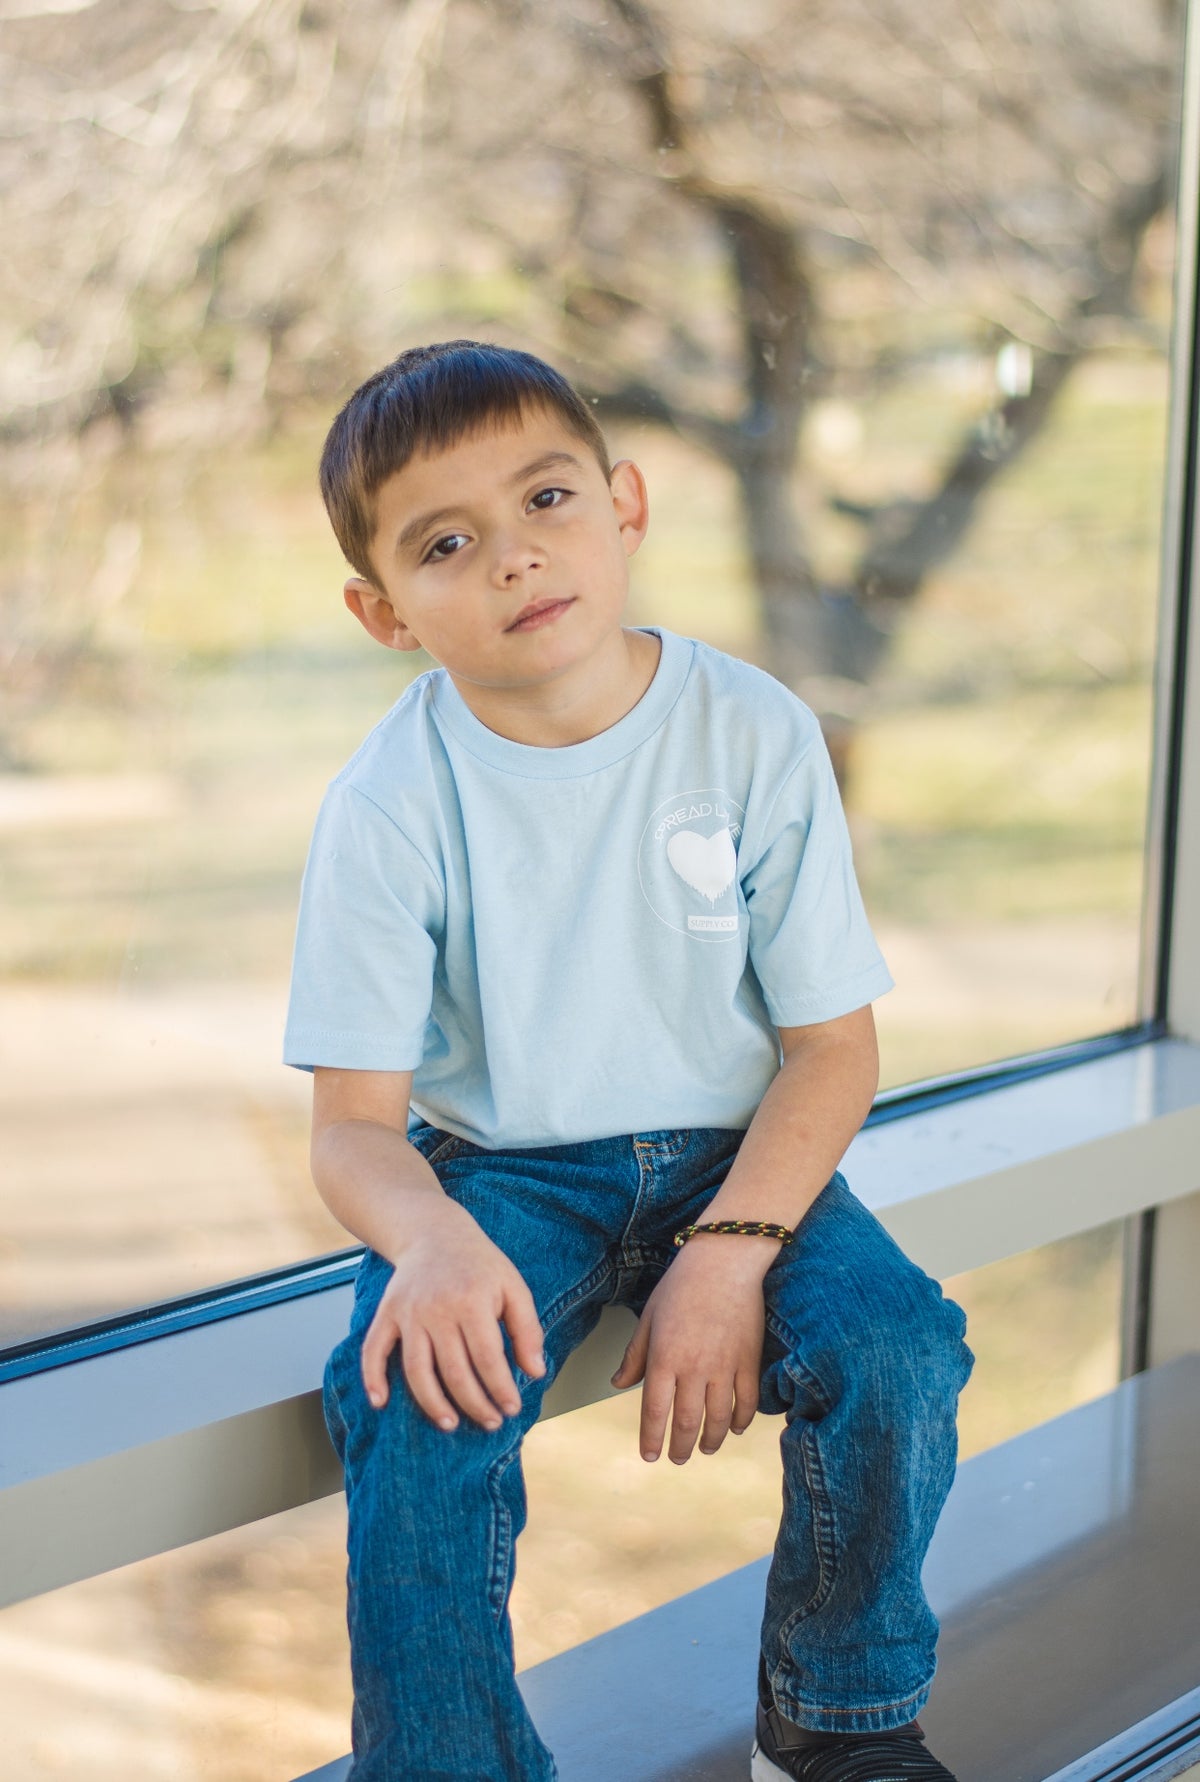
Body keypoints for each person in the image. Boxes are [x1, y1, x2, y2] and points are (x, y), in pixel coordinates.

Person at [284, 339, 974, 1782]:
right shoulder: (389, 806)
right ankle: (446, 1764)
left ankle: (837, 1720)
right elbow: (350, 1130)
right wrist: (429, 1242)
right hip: (504, 1174)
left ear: (628, 505)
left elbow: (831, 1051)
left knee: (895, 1341)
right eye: (448, 543)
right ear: (382, 610)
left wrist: (727, 1255)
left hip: (739, 1145)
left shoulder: (754, 729)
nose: (518, 559)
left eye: (547, 500)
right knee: (413, 1396)